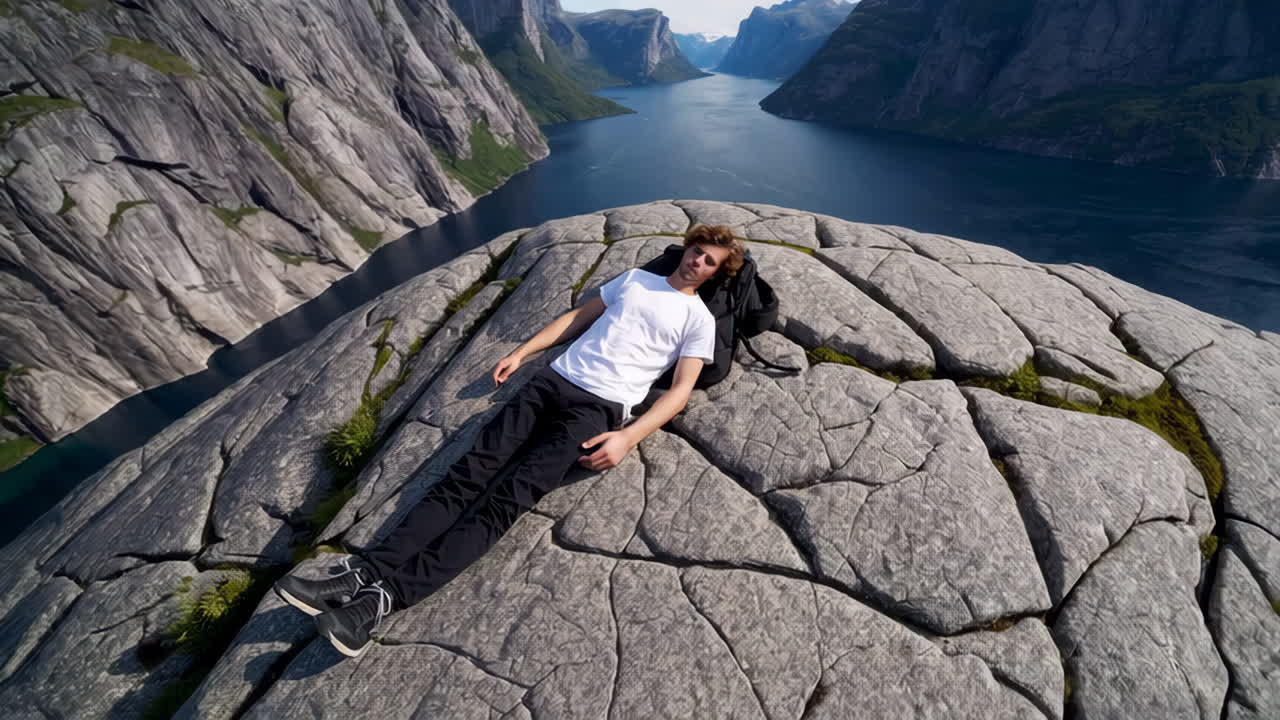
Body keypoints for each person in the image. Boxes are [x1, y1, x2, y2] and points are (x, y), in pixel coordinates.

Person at [274, 224, 746, 657]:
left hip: (597, 410)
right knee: (463, 478)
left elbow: (680, 391)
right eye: (696, 251)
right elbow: (577, 318)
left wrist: (627, 437)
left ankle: (379, 602)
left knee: (502, 503)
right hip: (551, 384)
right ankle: (364, 573)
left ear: (716, 273)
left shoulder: (698, 320)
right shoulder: (635, 279)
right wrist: (523, 353)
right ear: (685, 247)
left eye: (708, 261)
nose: (696, 262)